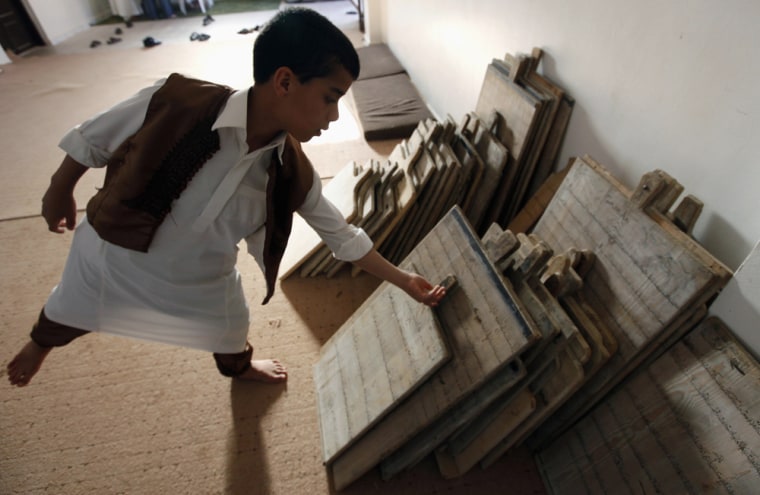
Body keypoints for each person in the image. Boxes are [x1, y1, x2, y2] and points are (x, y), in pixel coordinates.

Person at [7, 8, 446, 388]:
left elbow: (342, 235)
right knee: (71, 303)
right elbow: (95, 138)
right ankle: (39, 345)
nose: (334, 116)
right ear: (286, 81)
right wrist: (58, 188)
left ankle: (239, 368)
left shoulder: (292, 171)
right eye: (330, 99)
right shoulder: (175, 100)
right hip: (115, 255)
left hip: (202, 281)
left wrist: (403, 279)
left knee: (231, 326)